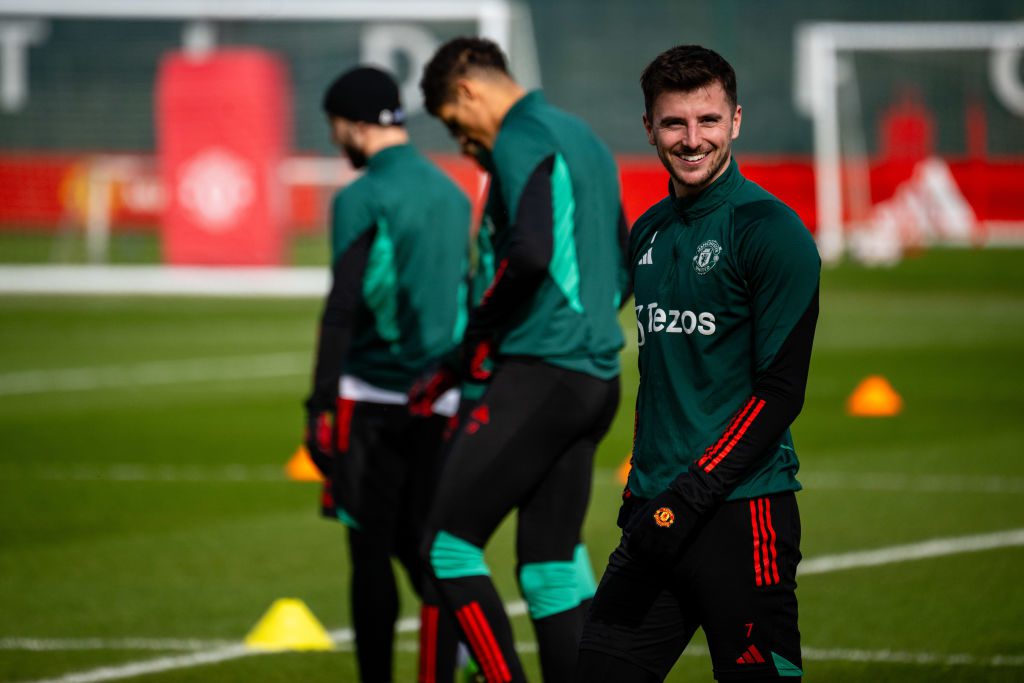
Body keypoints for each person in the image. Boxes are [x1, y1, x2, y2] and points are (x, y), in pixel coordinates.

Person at [575, 45, 820, 682]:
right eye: (674, 123)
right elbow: (663, 383)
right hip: (653, 512)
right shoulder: (649, 230)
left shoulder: (771, 232)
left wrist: (693, 491)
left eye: (708, 121)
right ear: (649, 128)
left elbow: (781, 390)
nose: (692, 140)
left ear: (735, 121)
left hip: (743, 515)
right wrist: (646, 493)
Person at [410, 37, 630, 683]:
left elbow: (530, 253)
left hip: (542, 372)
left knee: (446, 550)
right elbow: (622, 260)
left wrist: (473, 343)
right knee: (549, 566)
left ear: (468, 90)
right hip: (597, 376)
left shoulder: (519, 136)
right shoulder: (582, 134)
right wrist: (586, 325)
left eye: (454, 123)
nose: (460, 141)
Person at [303, 65, 471, 683]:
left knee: (369, 553)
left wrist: (318, 402)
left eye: (334, 129)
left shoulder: (359, 197)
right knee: (430, 547)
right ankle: (452, 660)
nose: (335, 141)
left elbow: (344, 302)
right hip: (443, 397)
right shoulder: (453, 193)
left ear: (352, 125)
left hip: (371, 394)